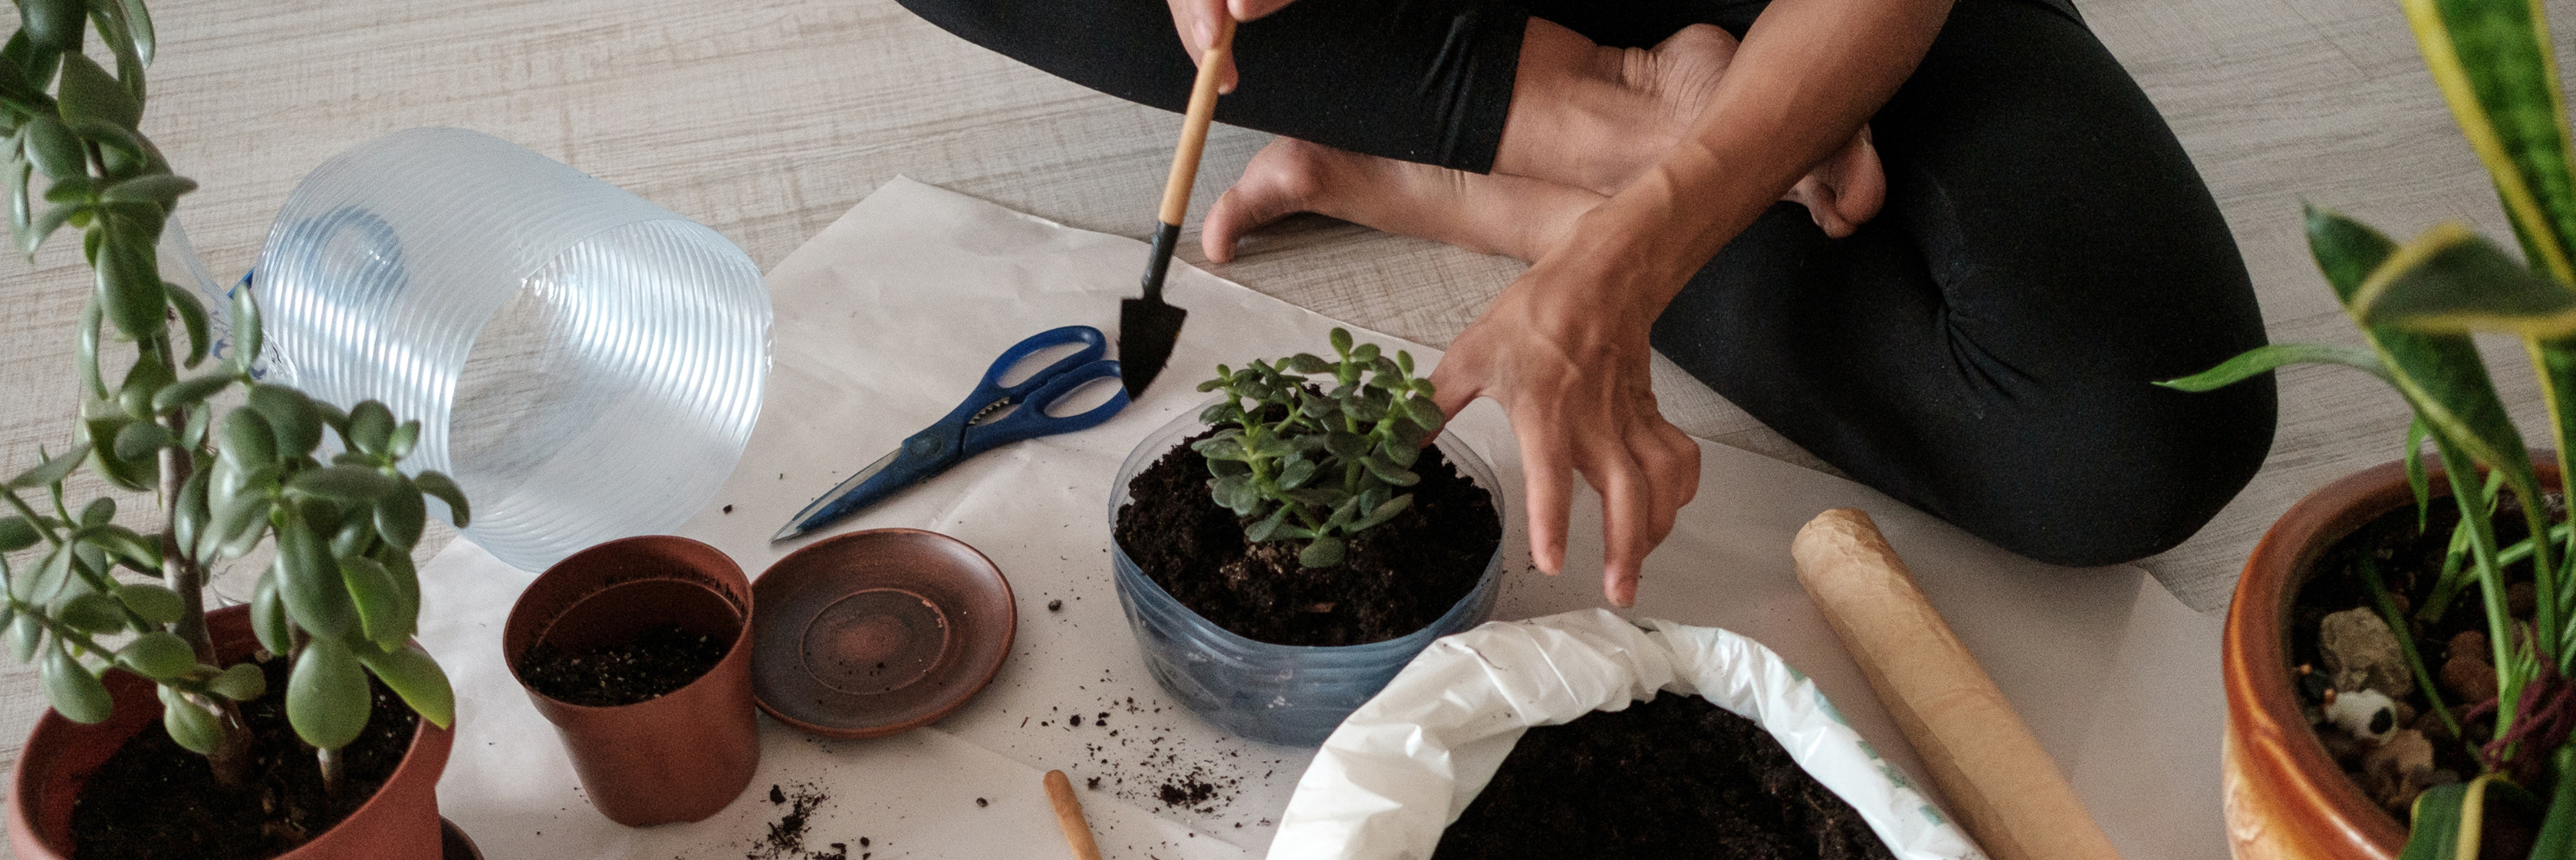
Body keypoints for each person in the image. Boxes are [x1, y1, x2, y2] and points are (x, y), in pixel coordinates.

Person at [896, 0, 2278, 605]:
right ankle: (1593, 119)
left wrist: (1623, 263)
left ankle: (1493, 177)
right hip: (1463, 25)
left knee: (2128, 439)